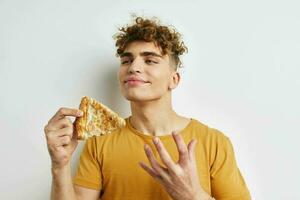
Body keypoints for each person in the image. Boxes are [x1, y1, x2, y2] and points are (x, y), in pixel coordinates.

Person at [44, 16, 251, 200]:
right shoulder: (100, 141)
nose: (133, 67)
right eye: (126, 60)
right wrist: (59, 166)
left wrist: (193, 196)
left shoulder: (213, 142)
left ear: (174, 79)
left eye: (150, 60)